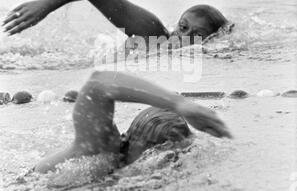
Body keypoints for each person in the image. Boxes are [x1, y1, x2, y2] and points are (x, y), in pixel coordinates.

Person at [34, 70, 231, 173]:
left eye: (175, 157)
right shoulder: (100, 150)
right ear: (128, 140)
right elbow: (98, 83)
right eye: (155, 152)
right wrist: (178, 103)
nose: (167, 163)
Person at [3, 0, 231, 43]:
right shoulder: (153, 35)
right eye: (183, 27)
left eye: (197, 36)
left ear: (210, 41)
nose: (184, 37)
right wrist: (45, 5)